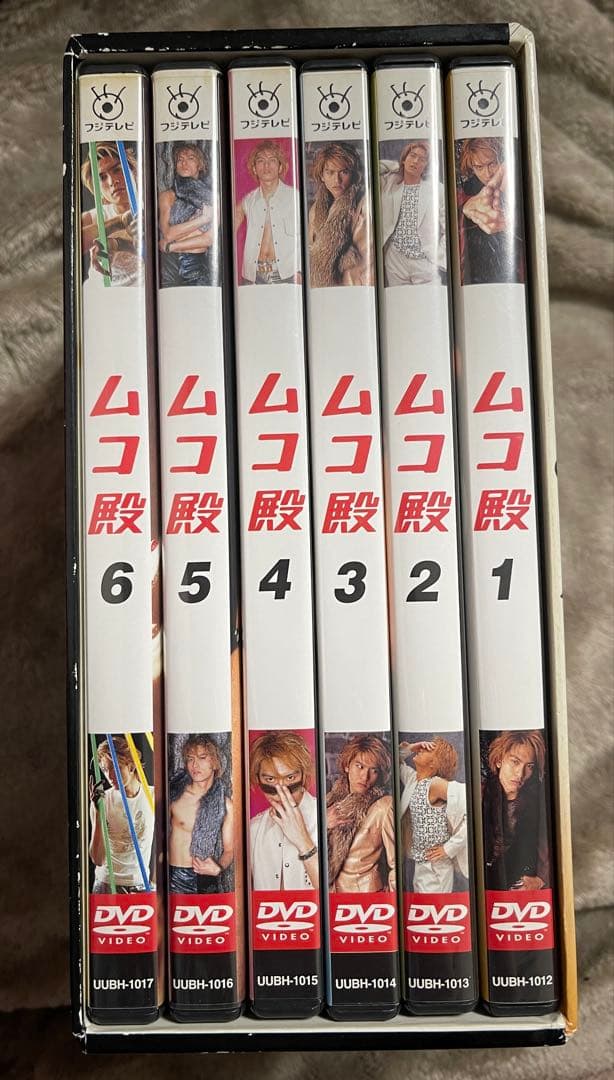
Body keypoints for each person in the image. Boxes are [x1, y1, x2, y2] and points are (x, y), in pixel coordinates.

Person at [249, 731, 319, 890]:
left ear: (303, 775)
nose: (281, 791)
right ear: (258, 779)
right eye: (270, 779)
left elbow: (335, 894)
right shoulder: (254, 829)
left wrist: (303, 841)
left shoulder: (327, 818)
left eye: (290, 778)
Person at [326, 734, 395, 892]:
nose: (365, 777)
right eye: (360, 766)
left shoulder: (383, 806)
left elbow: (397, 865)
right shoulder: (330, 801)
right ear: (347, 766)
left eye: (374, 770)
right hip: (333, 896)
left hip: (366, 895)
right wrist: (324, 825)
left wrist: (388, 901)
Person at [482, 730, 550, 891]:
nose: (520, 774)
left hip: (518, 890)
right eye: (515, 762)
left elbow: (548, 847)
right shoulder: (478, 794)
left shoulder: (537, 803)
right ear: (499, 760)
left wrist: (541, 880)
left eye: (529, 766)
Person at [398, 738, 468, 893]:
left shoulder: (435, 784)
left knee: (434, 904)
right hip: (420, 861)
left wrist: (449, 848)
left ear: (434, 764)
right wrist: (411, 747)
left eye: (428, 750)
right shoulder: (413, 779)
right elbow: (393, 761)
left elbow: (470, 802)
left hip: (436, 866)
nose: (422, 749)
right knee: (423, 903)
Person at [168, 735, 234, 894]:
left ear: (215, 762)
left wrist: (219, 867)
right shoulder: (174, 795)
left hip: (204, 878)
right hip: (173, 876)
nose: (195, 765)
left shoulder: (225, 804)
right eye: (190, 759)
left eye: (202, 758)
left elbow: (230, 849)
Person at [89, 736, 154, 893]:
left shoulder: (152, 795)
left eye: (115, 767)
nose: (110, 776)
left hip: (140, 885)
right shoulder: (103, 800)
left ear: (131, 766)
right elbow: (97, 859)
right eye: (105, 770)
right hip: (106, 884)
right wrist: (98, 813)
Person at [456, 137, 523, 284]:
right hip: (475, 278)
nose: (487, 174)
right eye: (479, 167)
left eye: (492, 164)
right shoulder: (464, 193)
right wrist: (464, 210)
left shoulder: (519, 185)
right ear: (472, 168)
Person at [379, 140, 446, 285]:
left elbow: (448, 228)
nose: (415, 161)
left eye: (422, 159)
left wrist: (438, 257)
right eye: (412, 155)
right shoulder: (390, 183)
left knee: (430, 298)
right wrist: (397, 166)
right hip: (395, 260)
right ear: (404, 158)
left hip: (424, 262)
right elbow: (376, 167)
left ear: (426, 165)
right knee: (399, 299)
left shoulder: (437, 189)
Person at [307, 142, 374, 287]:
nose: (336, 180)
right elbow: (311, 250)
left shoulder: (364, 204)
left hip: (354, 285)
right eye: (330, 172)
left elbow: (368, 259)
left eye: (344, 172)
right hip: (320, 287)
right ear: (322, 176)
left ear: (353, 174)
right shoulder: (316, 209)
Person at [234, 140, 301, 284]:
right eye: (261, 161)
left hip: (287, 274)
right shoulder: (249, 200)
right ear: (254, 168)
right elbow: (226, 228)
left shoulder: (295, 198)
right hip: (252, 276)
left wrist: (301, 271)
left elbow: (310, 236)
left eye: (272, 160)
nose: (266, 166)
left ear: (280, 166)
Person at [81, 142, 141, 286]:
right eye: (102, 177)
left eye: (117, 170)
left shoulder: (155, 205)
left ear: (134, 171)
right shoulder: (93, 217)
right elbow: (70, 242)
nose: (112, 181)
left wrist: (114, 243)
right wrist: (119, 222)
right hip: (100, 293)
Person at [157, 142, 217, 287]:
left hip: (196, 265)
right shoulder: (167, 196)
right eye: (180, 159)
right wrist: (203, 219)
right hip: (168, 265)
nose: (184, 163)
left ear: (200, 165)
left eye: (191, 158)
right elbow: (168, 234)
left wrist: (171, 247)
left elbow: (209, 239)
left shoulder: (213, 197)